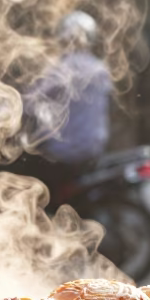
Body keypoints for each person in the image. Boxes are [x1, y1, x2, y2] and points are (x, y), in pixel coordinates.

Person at [15, 11, 114, 199]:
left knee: (21, 172)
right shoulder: (100, 68)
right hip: (94, 149)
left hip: (66, 152)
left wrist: (7, 107)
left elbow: (31, 100)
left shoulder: (63, 69)